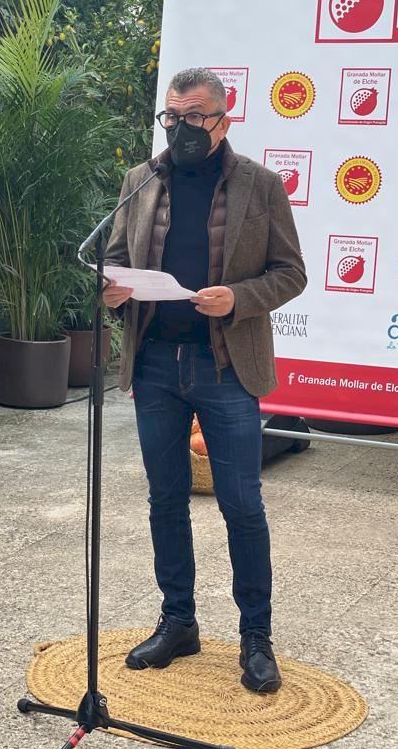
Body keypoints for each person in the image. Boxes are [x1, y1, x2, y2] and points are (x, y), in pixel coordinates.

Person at [103, 67, 306, 693]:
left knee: (241, 504)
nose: (181, 128)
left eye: (194, 116)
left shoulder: (261, 185)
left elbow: (291, 273)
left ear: (224, 117)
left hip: (227, 368)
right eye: (172, 117)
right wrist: (112, 288)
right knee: (166, 499)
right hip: (155, 366)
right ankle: (178, 623)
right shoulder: (141, 181)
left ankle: (256, 638)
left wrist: (238, 298)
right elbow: (113, 257)